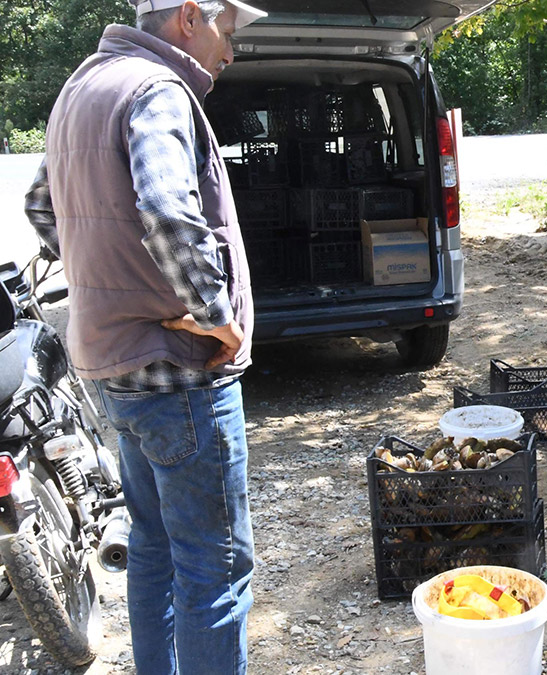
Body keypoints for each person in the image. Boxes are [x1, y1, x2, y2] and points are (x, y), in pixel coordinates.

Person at [24, 0, 266, 671]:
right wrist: (216, 315)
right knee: (214, 571)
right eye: (228, 29)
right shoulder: (156, 88)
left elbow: (45, 209)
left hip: (116, 372)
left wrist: (112, 283)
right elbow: (166, 208)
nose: (230, 49)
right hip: (182, 373)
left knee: (155, 550)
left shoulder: (84, 85)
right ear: (190, 15)